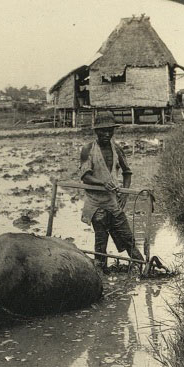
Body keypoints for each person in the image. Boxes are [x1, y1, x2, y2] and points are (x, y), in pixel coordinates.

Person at [79, 111, 145, 272]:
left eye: (110, 130)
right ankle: (101, 275)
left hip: (113, 202)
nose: (107, 134)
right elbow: (85, 176)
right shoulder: (88, 149)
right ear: (96, 131)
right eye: (103, 130)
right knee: (101, 242)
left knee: (128, 238)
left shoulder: (116, 149)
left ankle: (143, 268)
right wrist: (102, 183)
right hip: (95, 204)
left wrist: (125, 193)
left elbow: (127, 172)